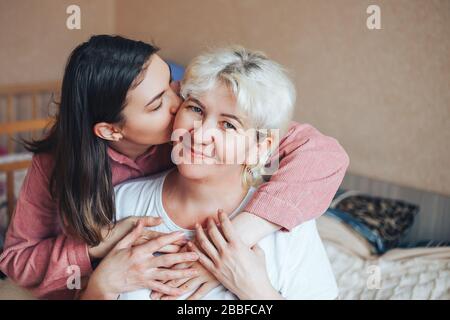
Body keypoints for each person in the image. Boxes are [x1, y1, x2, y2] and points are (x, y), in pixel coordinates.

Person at [0, 35, 348, 299]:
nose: (178, 104)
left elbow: (320, 153)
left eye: (172, 84)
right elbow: (17, 260)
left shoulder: (287, 228)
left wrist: (236, 257)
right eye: (192, 108)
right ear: (111, 130)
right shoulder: (115, 205)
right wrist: (99, 269)